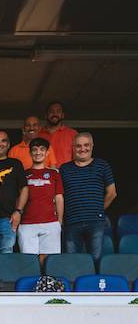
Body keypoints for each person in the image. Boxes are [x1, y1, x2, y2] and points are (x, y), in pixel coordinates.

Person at [60, 132, 116, 268]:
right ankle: (74, 288)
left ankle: (93, 287)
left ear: (92, 146)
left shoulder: (102, 165)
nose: (82, 149)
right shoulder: (64, 169)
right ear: (73, 148)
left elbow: (112, 192)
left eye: (86, 145)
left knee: (96, 260)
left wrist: (98, 210)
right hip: (71, 221)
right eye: (78, 146)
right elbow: (58, 196)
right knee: (71, 261)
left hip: (95, 221)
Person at [0, 131, 27, 286]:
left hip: (8, 219)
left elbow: (24, 189)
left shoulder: (16, 164)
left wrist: (19, 211)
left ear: (8, 144)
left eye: (3, 141)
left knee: (6, 258)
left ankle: (3, 294)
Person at [19, 138, 64, 267]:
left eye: (42, 149)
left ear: (47, 152)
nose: (38, 152)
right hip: (27, 223)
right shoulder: (23, 174)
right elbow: (18, 198)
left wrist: (59, 221)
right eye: (34, 149)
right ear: (30, 153)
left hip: (50, 222)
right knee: (29, 262)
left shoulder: (54, 174)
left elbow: (59, 198)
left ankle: (48, 286)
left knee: (50, 261)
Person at [39, 101, 78, 168]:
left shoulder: (73, 134)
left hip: (65, 175)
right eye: (51, 111)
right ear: (46, 115)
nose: (55, 114)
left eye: (58, 111)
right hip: (42, 176)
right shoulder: (38, 134)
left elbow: (78, 158)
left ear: (63, 115)